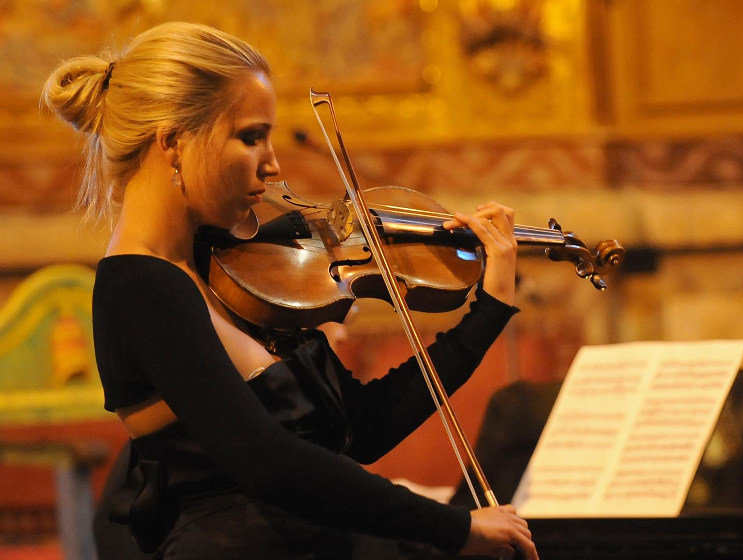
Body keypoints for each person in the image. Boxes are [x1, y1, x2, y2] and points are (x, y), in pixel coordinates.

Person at [42, 21, 538, 560]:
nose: (273, 164)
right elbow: (270, 462)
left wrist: (488, 311)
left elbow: (364, 427)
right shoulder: (140, 287)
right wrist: (454, 529)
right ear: (173, 143)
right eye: (251, 137)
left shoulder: (221, 273)